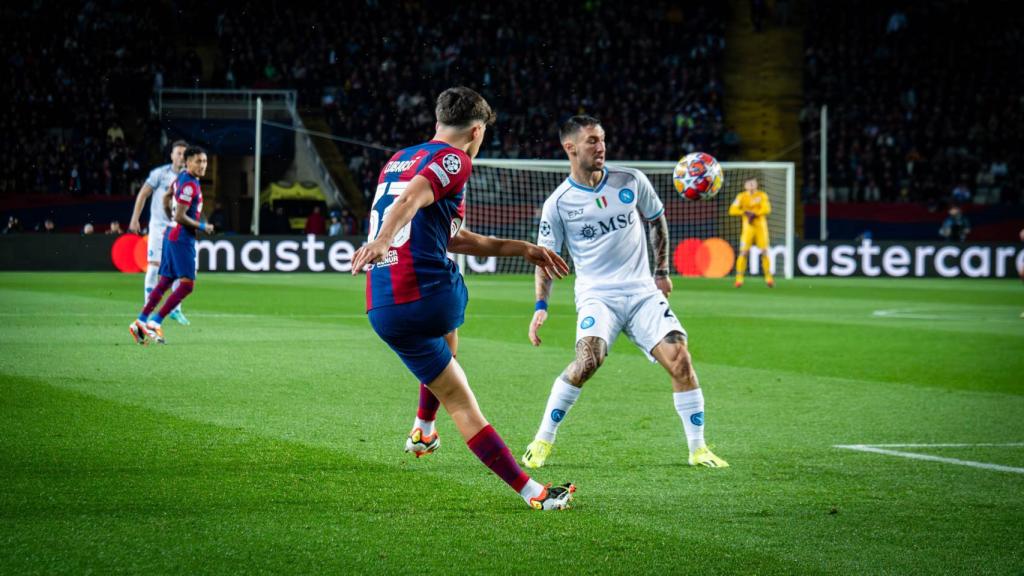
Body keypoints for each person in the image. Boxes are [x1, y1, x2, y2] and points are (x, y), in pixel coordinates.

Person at [351, 86, 576, 510]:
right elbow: (411, 199)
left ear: (437, 122)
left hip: (382, 306)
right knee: (456, 358)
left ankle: (425, 429)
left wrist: (522, 248)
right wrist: (383, 239)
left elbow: (451, 236)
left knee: (450, 373)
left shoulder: (398, 158)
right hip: (429, 295)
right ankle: (532, 492)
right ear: (476, 130)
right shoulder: (454, 160)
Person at [523, 115, 729, 470]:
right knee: (588, 361)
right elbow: (545, 259)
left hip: (642, 292)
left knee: (680, 359)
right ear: (569, 148)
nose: (600, 146)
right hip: (597, 295)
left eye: (601, 139)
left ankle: (698, 449)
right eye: (591, 141)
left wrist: (661, 271)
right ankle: (543, 439)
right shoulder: (558, 203)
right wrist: (541, 304)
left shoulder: (631, 179)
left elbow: (656, 220)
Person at [129, 146, 215, 345]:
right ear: (188, 162)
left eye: (205, 161)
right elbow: (179, 215)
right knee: (187, 285)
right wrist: (203, 226)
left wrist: (171, 219)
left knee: (165, 281)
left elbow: (166, 197)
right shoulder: (189, 185)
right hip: (181, 238)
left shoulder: (183, 179)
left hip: (171, 233)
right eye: (198, 161)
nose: (203, 165)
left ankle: (140, 321)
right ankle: (155, 322)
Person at [128, 140, 191, 325]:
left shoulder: (189, 178)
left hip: (178, 227)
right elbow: (143, 194)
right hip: (158, 226)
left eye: (184, 154)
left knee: (181, 270)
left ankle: (176, 310)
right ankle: (148, 306)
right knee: (154, 266)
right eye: (178, 153)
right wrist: (135, 218)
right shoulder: (160, 174)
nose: (181, 157)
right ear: (171, 155)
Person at [729, 178, 775, 288]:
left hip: (761, 228)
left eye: (753, 183)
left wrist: (755, 213)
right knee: (744, 252)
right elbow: (732, 210)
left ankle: (768, 278)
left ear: (756, 185)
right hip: (748, 229)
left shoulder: (762, 195)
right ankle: (739, 279)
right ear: (745, 186)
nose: (751, 185)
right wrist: (744, 212)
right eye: (748, 183)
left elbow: (767, 209)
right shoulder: (741, 196)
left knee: (764, 251)